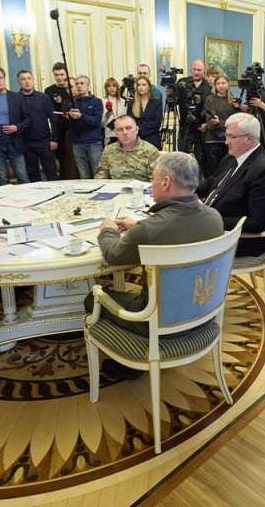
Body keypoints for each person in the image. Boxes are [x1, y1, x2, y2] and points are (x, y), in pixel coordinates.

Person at [89, 152, 224, 379]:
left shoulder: (150, 230)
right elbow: (176, 230)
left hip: (158, 320)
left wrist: (107, 230)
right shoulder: (214, 217)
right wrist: (138, 226)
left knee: (90, 299)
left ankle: (133, 359)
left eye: (154, 178)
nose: (152, 183)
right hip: (203, 309)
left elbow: (113, 255)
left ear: (165, 182)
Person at [198, 113, 265, 258]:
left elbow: (258, 223)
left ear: (249, 138)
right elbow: (213, 183)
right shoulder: (232, 157)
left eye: (231, 137)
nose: (226, 142)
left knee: (174, 238)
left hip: (235, 240)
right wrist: (182, 190)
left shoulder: (264, 170)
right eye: (226, 136)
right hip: (213, 228)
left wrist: (211, 221)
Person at [17, 70, 57, 181]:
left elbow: (53, 119)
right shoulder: (15, 98)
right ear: (18, 82)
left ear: (33, 80)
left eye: (29, 78)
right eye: (23, 79)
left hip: (44, 140)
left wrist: (54, 139)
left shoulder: (43, 97)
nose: (27, 82)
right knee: (32, 173)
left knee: (51, 171)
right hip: (25, 142)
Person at [94, 115, 160, 181]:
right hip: (115, 187)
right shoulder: (108, 150)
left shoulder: (151, 151)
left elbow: (156, 181)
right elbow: (100, 177)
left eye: (128, 128)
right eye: (120, 129)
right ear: (115, 133)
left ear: (136, 130)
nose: (125, 133)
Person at [202, 73, 239, 179]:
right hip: (213, 140)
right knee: (213, 173)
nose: (221, 86)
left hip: (229, 140)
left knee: (228, 172)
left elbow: (235, 122)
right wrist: (217, 123)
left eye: (223, 83)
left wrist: (220, 123)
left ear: (228, 84)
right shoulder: (210, 99)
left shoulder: (233, 100)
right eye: (218, 83)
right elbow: (210, 124)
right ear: (214, 85)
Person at [44, 62, 77, 179]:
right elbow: (49, 111)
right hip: (59, 130)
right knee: (63, 160)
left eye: (62, 74)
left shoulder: (74, 88)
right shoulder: (49, 90)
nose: (59, 77)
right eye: (56, 75)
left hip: (75, 128)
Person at [68, 75, 105, 178]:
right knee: (83, 175)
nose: (79, 86)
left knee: (98, 173)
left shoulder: (97, 102)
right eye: (77, 84)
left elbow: (96, 121)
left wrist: (80, 116)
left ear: (88, 86)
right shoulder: (72, 103)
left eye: (82, 83)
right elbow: (72, 125)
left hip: (94, 142)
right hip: (77, 142)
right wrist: (70, 117)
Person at [177, 59, 210, 155]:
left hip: (203, 129)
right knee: (182, 158)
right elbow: (175, 100)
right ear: (190, 69)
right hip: (185, 128)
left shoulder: (209, 85)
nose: (196, 72)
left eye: (199, 70)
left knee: (202, 158)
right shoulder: (182, 83)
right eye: (194, 69)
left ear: (204, 70)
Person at [128, 75, 163, 150]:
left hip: (153, 140)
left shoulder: (157, 103)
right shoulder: (131, 103)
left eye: (143, 85)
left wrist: (140, 127)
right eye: (138, 85)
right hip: (136, 140)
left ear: (149, 87)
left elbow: (157, 122)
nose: (141, 87)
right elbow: (130, 121)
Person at [101, 77, 128, 146]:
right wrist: (106, 116)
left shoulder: (123, 101)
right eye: (109, 86)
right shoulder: (102, 101)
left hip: (122, 134)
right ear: (106, 88)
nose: (112, 88)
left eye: (114, 86)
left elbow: (126, 118)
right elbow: (101, 123)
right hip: (109, 135)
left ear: (117, 88)